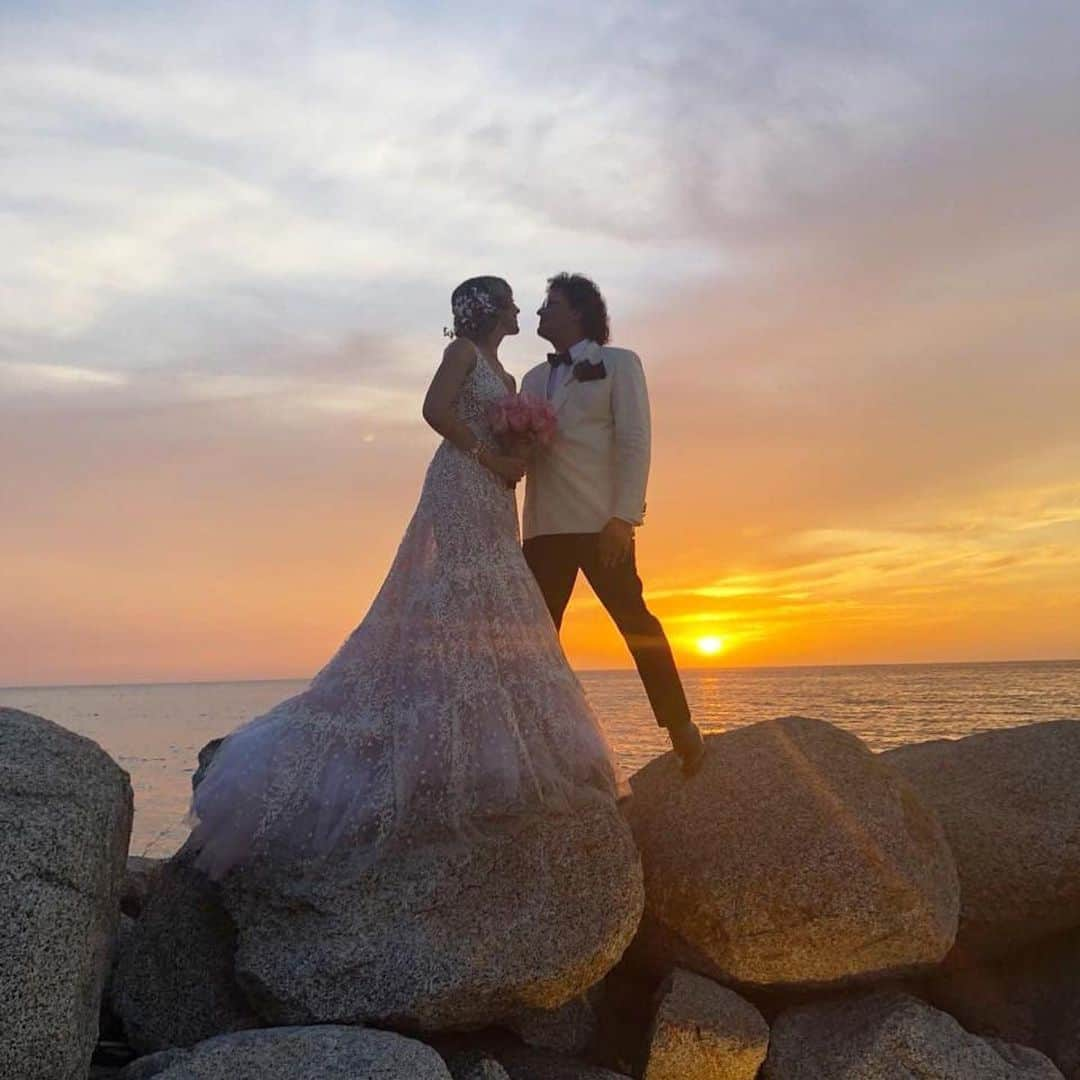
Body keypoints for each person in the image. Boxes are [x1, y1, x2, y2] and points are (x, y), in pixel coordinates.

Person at [182, 277, 622, 881]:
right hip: (463, 484)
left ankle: (498, 752)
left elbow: (497, 427)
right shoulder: (463, 354)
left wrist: (519, 444)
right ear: (491, 311)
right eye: (513, 301)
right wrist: (487, 456)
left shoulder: (507, 371)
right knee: (459, 592)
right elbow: (434, 410)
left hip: (496, 494)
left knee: (493, 601)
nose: (522, 310)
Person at [521, 273, 706, 776]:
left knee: (635, 623)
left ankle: (681, 727)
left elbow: (634, 441)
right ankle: (538, 746)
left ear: (577, 312)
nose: (539, 313)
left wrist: (624, 518)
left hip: (601, 522)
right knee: (536, 641)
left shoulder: (620, 365)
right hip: (543, 528)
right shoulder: (534, 380)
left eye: (549, 305)